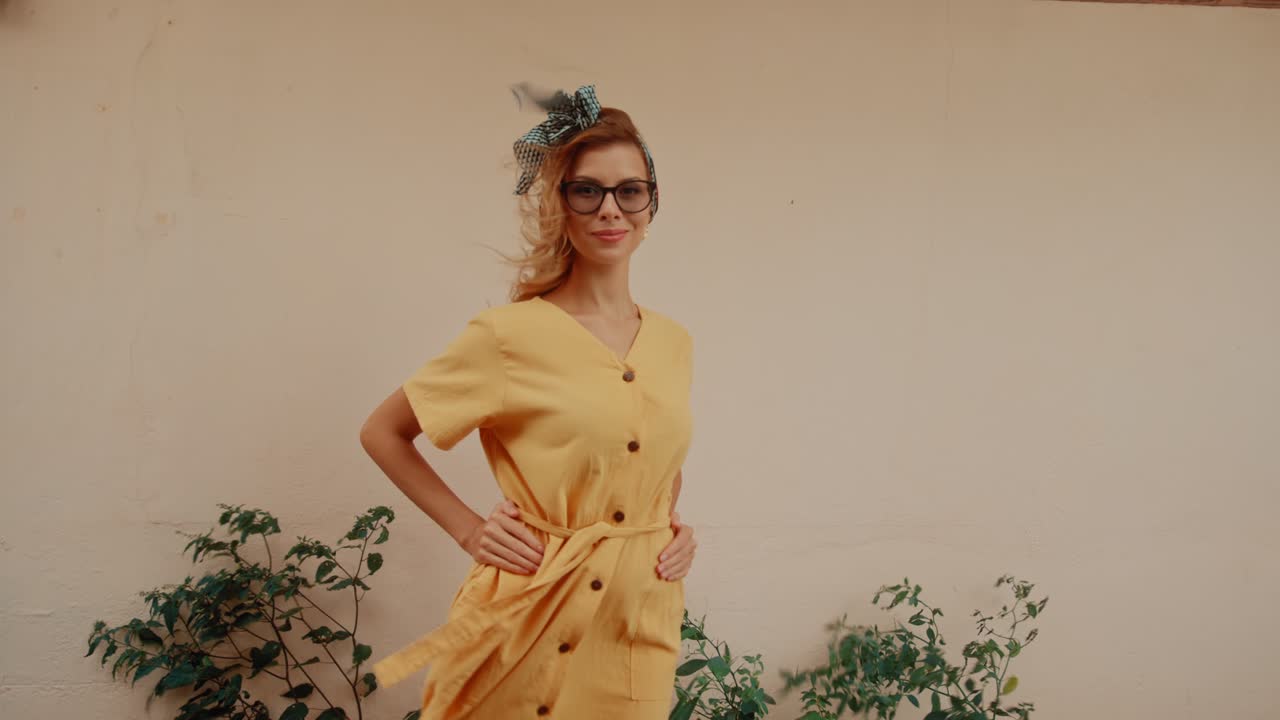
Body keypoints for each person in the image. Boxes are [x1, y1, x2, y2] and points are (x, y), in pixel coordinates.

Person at [359, 84, 698, 720]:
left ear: (652, 200)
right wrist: (468, 529)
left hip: (634, 632)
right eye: (586, 190)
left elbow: (655, 454)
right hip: (524, 617)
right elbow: (383, 431)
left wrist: (671, 529)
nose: (610, 209)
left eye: (630, 189)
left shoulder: (674, 342)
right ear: (560, 203)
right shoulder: (508, 338)